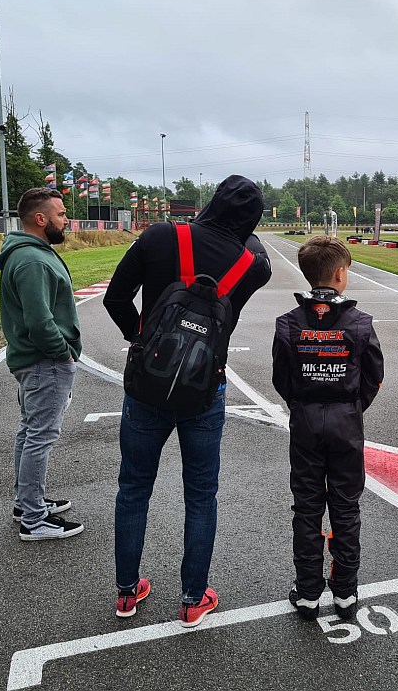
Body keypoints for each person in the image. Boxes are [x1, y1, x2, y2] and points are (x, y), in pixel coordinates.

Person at [103, 174, 271, 625]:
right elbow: (258, 250)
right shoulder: (252, 265)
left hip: (147, 385)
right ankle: (193, 598)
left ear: (212, 202)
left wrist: (142, 340)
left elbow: (115, 299)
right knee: (200, 494)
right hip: (203, 390)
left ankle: (126, 592)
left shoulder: (160, 236)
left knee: (133, 488)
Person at [271, 236, 384, 621]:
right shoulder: (360, 322)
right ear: (339, 274)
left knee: (307, 507)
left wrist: (304, 403)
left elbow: (281, 379)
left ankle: (307, 594)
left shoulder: (288, 323)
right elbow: (374, 377)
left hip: (305, 422)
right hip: (346, 423)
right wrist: (350, 406)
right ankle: (346, 593)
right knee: (345, 507)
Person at [0, 187, 84, 542]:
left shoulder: (30, 254)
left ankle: (26, 503)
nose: (67, 220)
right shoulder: (32, 260)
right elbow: (39, 320)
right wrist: (63, 353)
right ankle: (34, 519)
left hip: (36, 361)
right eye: (61, 214)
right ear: (40, 218)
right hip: (44, 362)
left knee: (30, 431)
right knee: (40, 436)